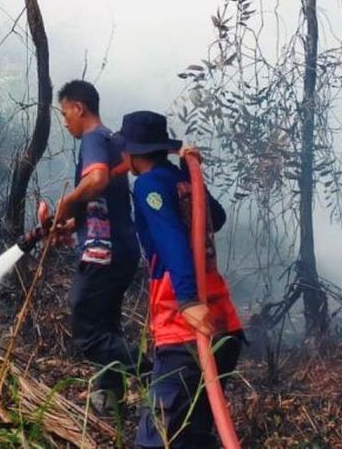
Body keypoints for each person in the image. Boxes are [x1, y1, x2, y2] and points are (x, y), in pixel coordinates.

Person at [117, 110, 245, 449]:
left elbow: (172, 238)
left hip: (185, 329)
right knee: (193, 435)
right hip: (223, 324)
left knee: (155, 439)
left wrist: (187, 300)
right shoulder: (179, 179)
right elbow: (215, 217)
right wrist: (193, 173)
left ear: (133, 152)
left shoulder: (148, 185)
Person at [51, 80, 146, 416]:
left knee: (87, 327)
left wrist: (66, 202)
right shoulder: (114, 141)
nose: (65, 122)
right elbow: (107, 199)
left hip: (102, 251)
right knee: (106, 325)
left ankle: (159, 374)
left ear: (79, 108)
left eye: (65, 113)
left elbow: (97, 181)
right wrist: (71, 221)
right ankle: (110, 397)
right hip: (124, 248)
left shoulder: (93, 138)